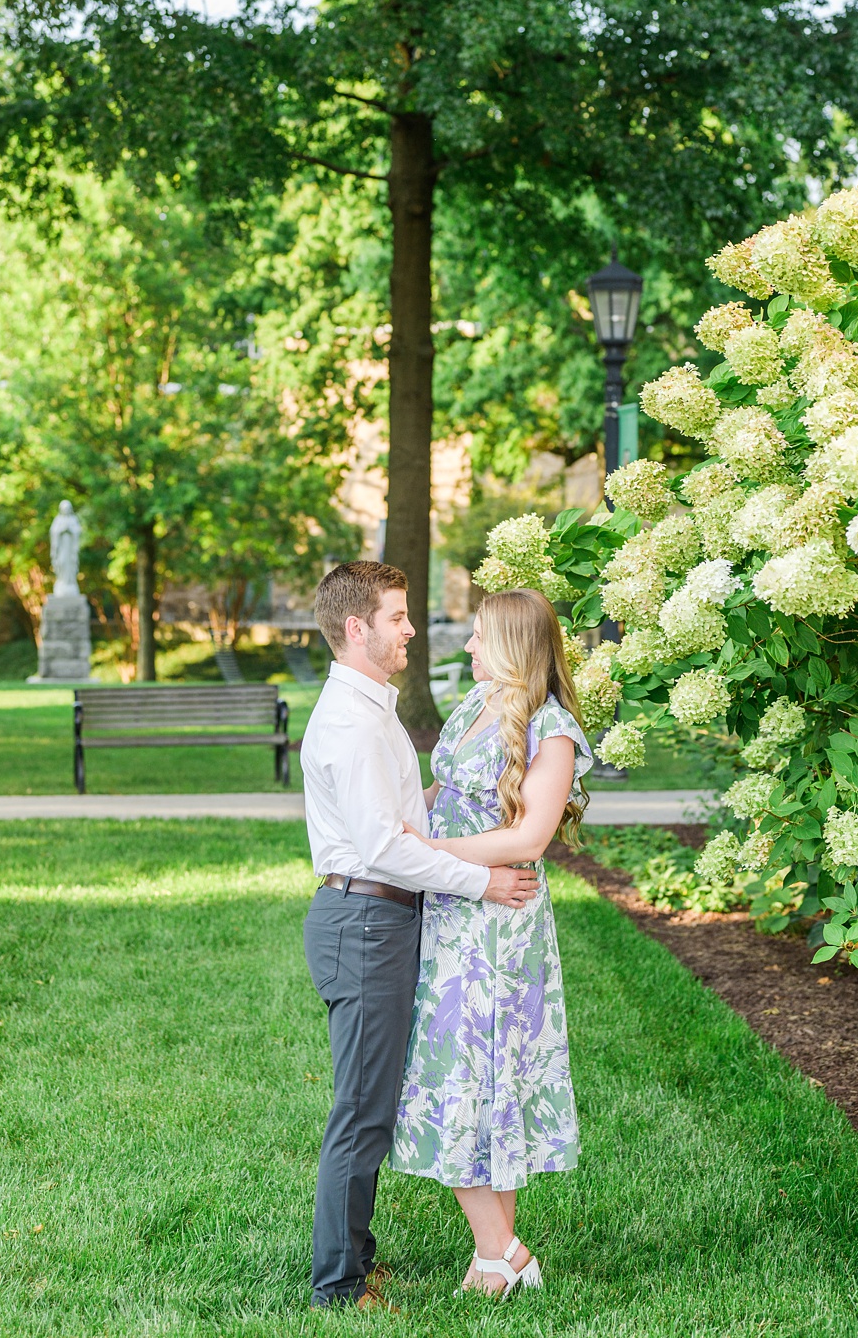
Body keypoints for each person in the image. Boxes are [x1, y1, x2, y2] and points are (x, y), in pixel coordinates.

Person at [300, 560, 539, 1311]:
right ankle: (338, 1287)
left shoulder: (371, 711)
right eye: (399, 617)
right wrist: (486, 879)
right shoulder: (352, 722)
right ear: (356, 628)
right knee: (362, 1111)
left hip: (378, 918)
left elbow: (406, 812)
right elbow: (384, 847)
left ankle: (357, 1260)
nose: (412, 629)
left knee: (370, 1102)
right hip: (365, 919)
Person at [389, 587, 593, 1298]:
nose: (468, 647)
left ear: (511, 644)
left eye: (479, 636)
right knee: (467, 1082)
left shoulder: (553, 730)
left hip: (500, 932)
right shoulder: (476, 708)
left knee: (476, 1079)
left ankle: (504, 1255)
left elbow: (531, 838)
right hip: (452, 913)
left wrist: (433, 848)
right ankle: (497, 1257)